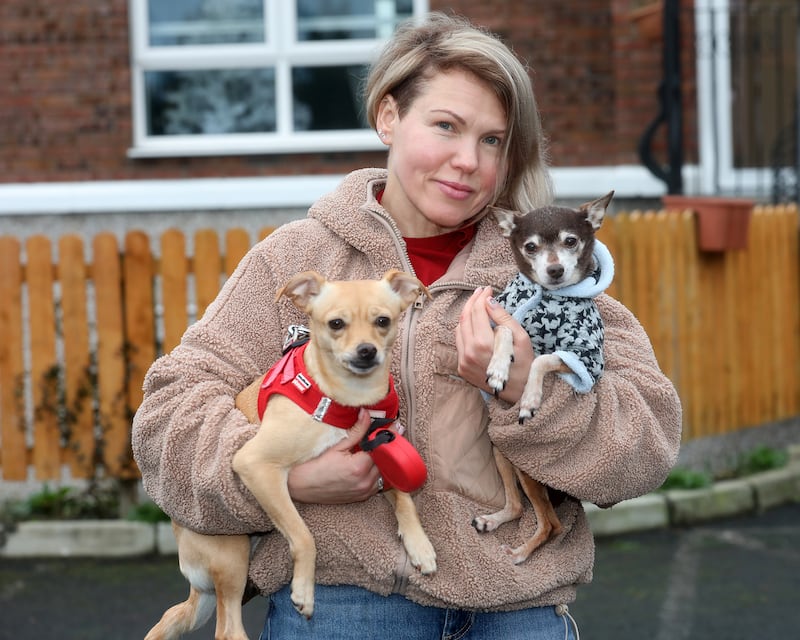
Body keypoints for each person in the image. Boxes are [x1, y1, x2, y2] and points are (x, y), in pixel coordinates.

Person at [132, 12, 682, 640]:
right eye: (445, 126)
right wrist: (286, 477)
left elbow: (645, 446)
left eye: (493, 140)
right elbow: (167, 416)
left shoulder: (540, 272)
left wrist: (528, 386)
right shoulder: (297, 261)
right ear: (389, 117)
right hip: (344, 609)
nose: (467, 161)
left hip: (519, 611)